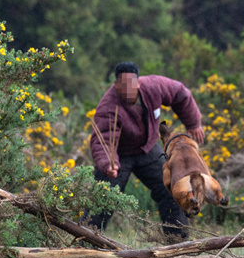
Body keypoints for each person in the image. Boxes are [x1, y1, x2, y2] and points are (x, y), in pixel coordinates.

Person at [88, 62, 205, 240]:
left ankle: (177, 240)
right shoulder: (108, 106)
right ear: (116, 85)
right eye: (123, 85)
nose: (127, 90)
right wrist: (107, 164)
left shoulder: (154, 87)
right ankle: (86, 242)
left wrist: (193, 123)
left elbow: (180, 94)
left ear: (139, 83)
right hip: (118, 155)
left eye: (131, 85)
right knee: (104, 197)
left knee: (173, 187)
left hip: (147, 149)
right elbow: (103, 139)